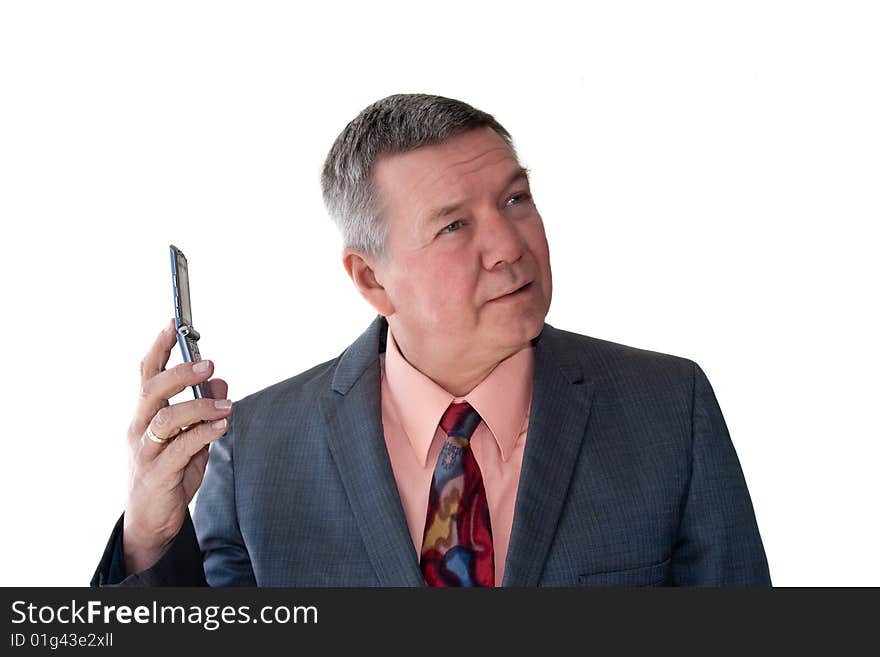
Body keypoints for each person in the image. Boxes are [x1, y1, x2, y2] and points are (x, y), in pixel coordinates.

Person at [92, 93, 771, 587]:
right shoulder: (257, 450)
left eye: (515, 200)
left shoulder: (668, 408)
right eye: (454, 226)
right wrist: (150, 538)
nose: (509, 246)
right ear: (370, 277)